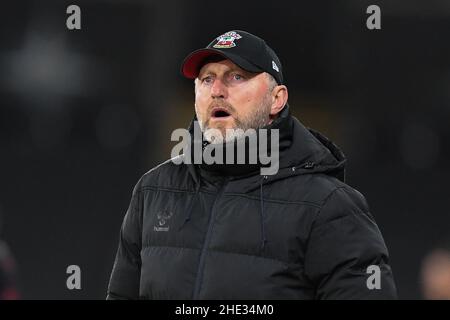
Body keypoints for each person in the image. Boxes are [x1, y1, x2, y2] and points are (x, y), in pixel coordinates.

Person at [107, 30, 397, 299]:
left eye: (236, 77)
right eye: (207, 79)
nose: (217, 90)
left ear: (276, 99)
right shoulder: (153, 190)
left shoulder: (330, 206)